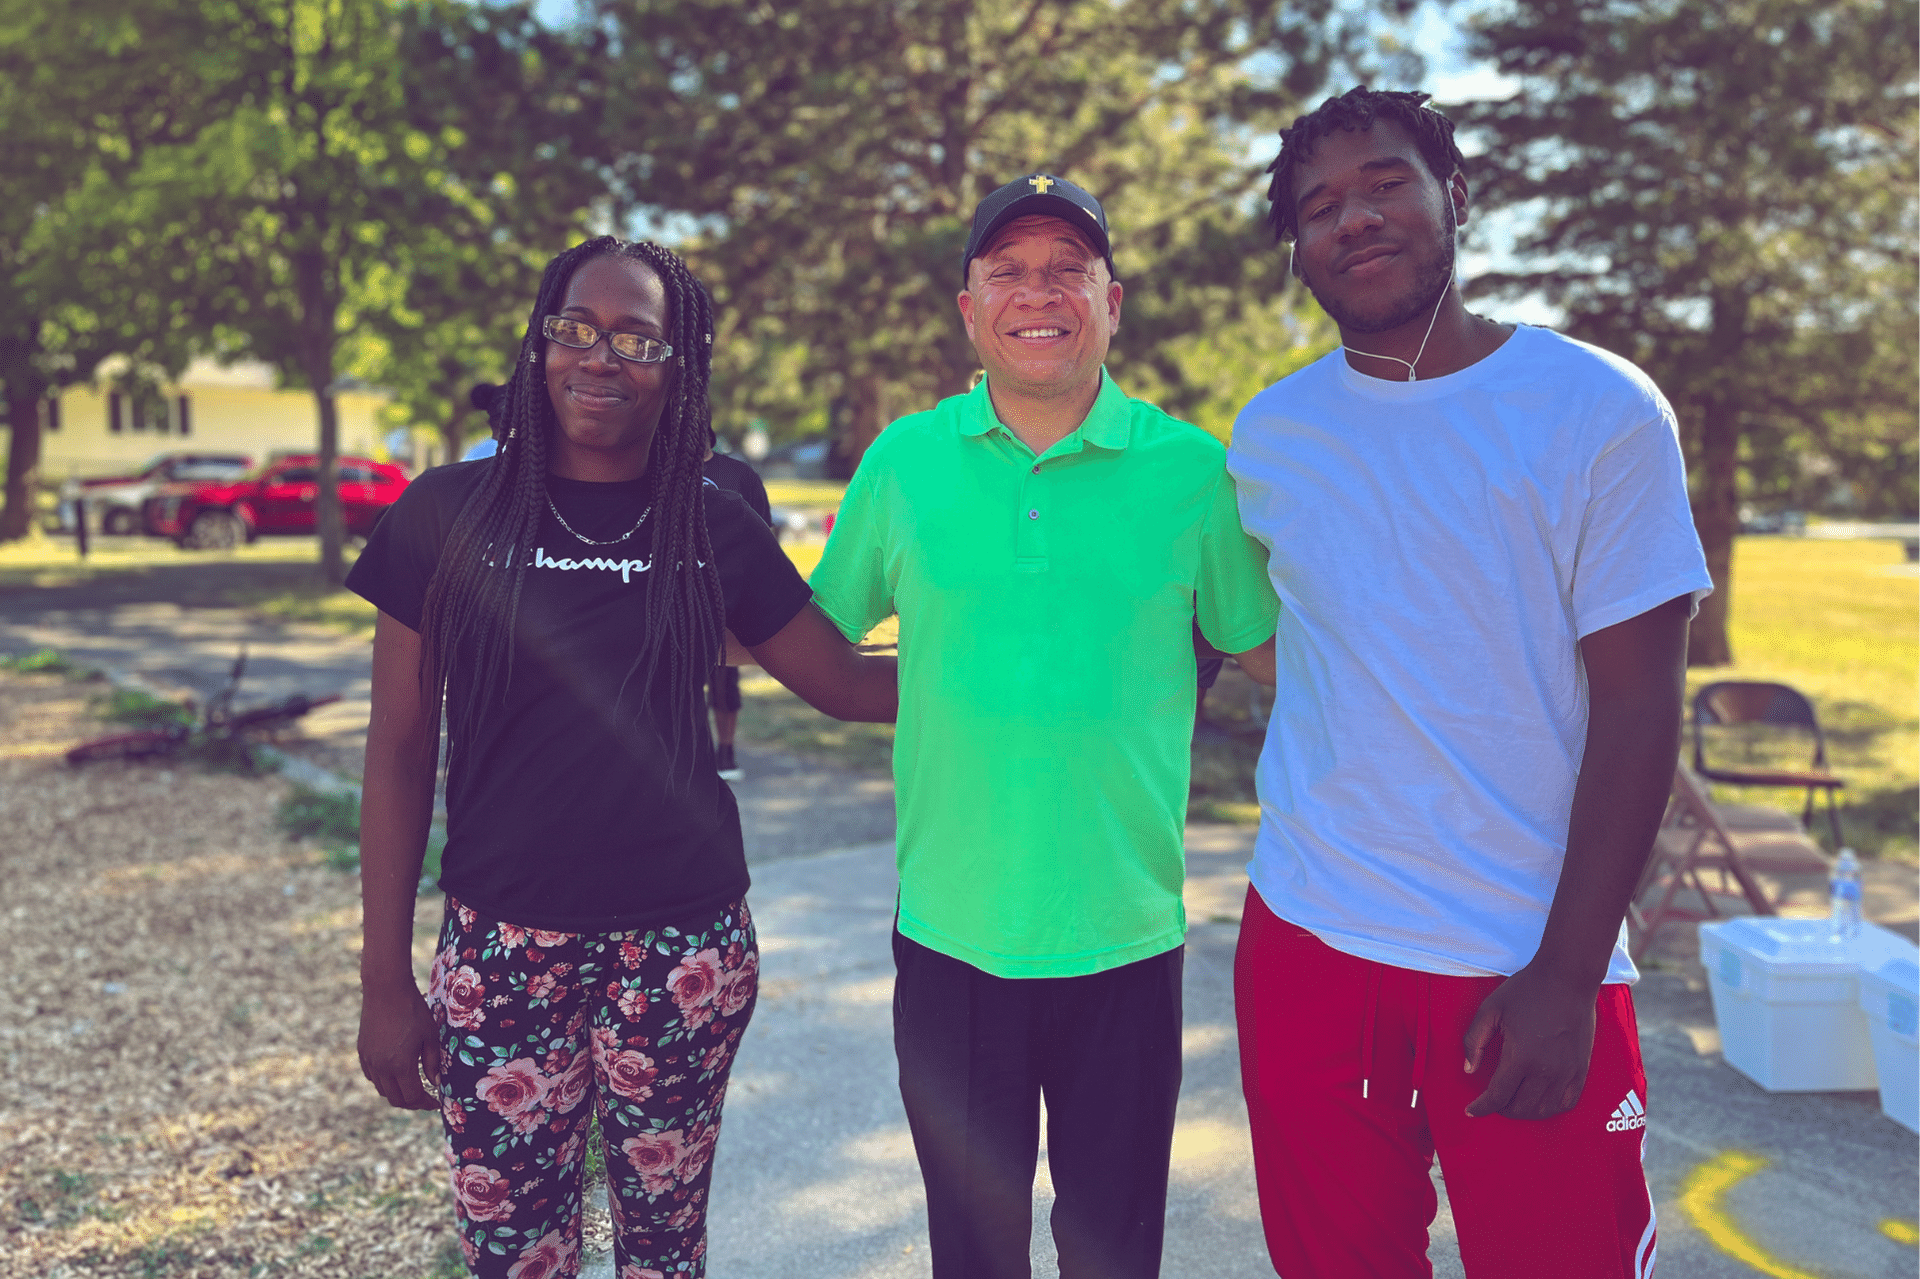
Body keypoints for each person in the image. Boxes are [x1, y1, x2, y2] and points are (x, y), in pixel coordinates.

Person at [1227, 88, 1712, 1279]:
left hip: (1525, 959)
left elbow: (1643, 706)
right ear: (1297, 247)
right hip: (1309, 939)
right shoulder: (1270, 436)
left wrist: (1565, 967)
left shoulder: (1596, 407)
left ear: (1457, 192)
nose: (1355, 219)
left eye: (1386, 182)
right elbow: (1260, 636)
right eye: (1320, 205)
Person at [350, 237, 896, 1279]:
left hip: (681, 951)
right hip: (501, 948)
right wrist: (385, 980)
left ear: (678, 363)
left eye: (639, 338)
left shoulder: (713, 523)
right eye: (578, 330)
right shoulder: (444, 514)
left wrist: (1067, 662)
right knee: (514, 1253)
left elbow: (851, 683)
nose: (601, 358)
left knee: (661, 1251)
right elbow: (399, 747)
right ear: (540, 344)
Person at [809, 173, 1279, 1279]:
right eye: (1008, 270)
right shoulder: (904, 461)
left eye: (1069, 268)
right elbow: (814, 636)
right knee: (973, 1255)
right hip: (949, 939)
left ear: (1113, 301)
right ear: (968, 308)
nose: (1040, 292)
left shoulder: (1193, 471)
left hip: (1125, 938)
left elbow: (1279, 662)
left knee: (1114, 1251)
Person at [701, 441, 772, 780]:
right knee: (677, 681)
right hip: (676, 589)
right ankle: (689, 753)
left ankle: (725, 752)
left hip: (727, 590)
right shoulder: (659, 468)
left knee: (725, 678)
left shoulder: (738, 474)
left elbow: (763, 534)